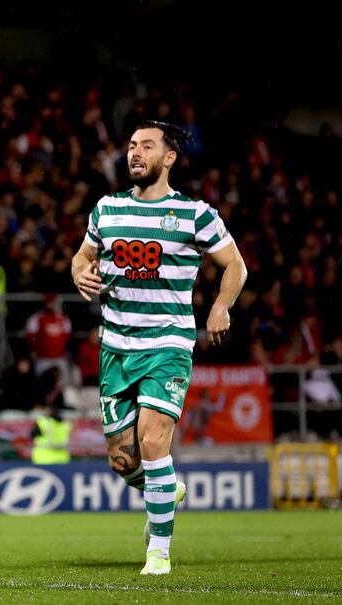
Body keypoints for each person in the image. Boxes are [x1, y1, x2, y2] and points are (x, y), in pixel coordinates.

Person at [70, 120, 248, 575]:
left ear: (169, 157)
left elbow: (235, 265)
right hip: (116, 345)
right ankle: (167, 490)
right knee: (122, 459)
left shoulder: (195, 214)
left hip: (166, 344)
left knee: (153, 441)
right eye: (131, 145)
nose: (135, 153)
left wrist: (221, 306)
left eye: (146, 146)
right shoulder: (106, 209)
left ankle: (159, 552)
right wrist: (78, 271)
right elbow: (83, 256)